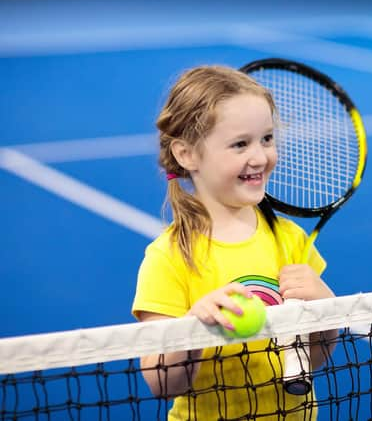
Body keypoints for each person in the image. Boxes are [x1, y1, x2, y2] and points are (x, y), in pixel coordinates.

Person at [131, 65, 337, 420]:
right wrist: (192, 327)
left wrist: (327, 313)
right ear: (187, 155)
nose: (260, 157)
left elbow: (311, 360)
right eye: (240, 144)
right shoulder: (167, 257)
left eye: (267, 139)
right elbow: (163, 384)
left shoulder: (290, 239)